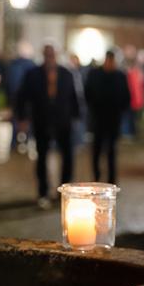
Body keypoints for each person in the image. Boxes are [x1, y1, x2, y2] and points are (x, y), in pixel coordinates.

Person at [16, 44, 82, 208]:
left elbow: (74, 97)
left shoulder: (66, 74)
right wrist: (22, 117)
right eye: (47, 55)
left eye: (52, 55)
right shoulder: (33, 74)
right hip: (42, 120)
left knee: (67, 157)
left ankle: (65, 191)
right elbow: (22, 96)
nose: (50, 58)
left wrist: (76, 116)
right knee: (42, 157)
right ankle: (43, 192)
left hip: (63, 121)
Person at [85, 50, 131, 184]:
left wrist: (120, 110)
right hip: (98, 119)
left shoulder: (120, 76)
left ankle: (111, 180)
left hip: (113, 120)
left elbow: (126, 97)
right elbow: (88, 93)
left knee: (111, 151)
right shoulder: (95, 74)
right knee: (96, 150)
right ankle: (96, 176)